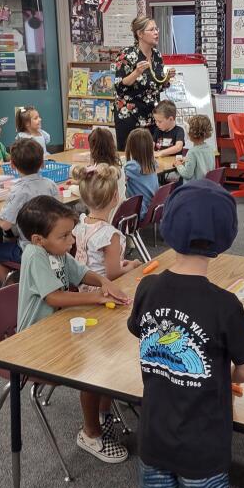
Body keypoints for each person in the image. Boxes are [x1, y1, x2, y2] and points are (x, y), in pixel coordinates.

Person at [127, 180, 244, 488]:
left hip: (154, 433)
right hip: (204, 443)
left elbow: (144, 336)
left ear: (168, 228)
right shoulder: (225, 305)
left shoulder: (147, 287)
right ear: (225, 238)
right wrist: (227, 375)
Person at [15, 195, 131, 462]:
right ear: (38, 240)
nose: (71, 241)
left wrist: (103, 281)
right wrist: (98, 297)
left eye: (71, 234)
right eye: (64, 236)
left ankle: (101, 414)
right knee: (94, 367)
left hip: (59, 329)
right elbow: (54, 297)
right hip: (33, 342)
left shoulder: (56, 251)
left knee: (107, 348)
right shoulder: (35, 255)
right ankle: (90, 433)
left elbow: (81, 273)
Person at [72, 163, 142, 462]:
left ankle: (102, 411)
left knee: (100, 358)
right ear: (116, 197)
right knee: (102, 360)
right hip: (103, 301)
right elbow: (113, 272)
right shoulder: (111, 235)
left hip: (83, 299)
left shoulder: (78, 224)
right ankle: (92, 428)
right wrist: (132, 265)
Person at [0, 139, 59, 283]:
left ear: (12, 165)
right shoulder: (51, 185)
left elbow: (5, 225)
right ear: (43, 163)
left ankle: (12, 289)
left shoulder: (19, 190)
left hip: (31, 250)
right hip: (54, 244)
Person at [113, 16, 176, 151]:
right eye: (152, 29)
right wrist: (136, 72)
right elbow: (119, 86)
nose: (156, 32)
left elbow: (157, 86)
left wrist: (166, 79)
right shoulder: (127, 54)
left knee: (149, 157)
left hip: (152, 117)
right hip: (130, 117)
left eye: (156, 29)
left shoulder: (157, 55)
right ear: (140, 34)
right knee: (131, 158)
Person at [124, 128, 158, 219]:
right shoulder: (153, 164)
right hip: (151, 209)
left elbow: (119, 177)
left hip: (139, 211)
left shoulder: (131, 167)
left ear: (131, 147)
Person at [173, 115, 215, 183]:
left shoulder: (192, 152)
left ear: (190, 132)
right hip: (206, 185)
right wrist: (187, 160)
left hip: (193, 189)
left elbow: (187, 174)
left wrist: (178, 165)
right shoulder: (210, 149)